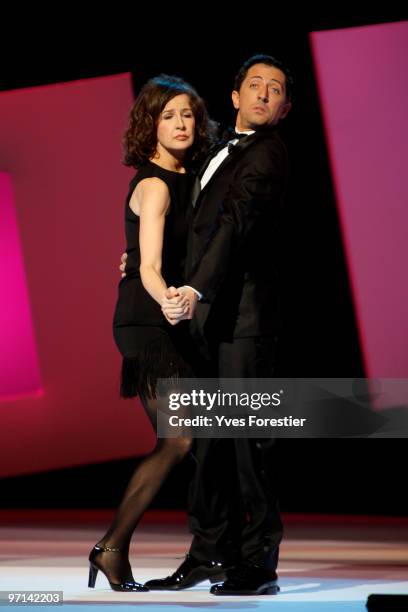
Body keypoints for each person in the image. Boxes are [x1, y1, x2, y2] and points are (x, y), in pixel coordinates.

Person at [144, 54, 293, 596]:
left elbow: (234, 225)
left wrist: (195, 288)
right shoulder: (213, 150)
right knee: (208, 445)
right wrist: (141, 257)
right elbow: (194, 225)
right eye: (254, 85)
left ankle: (259, 563)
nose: (263, 94)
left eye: (274, 89)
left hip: (244, 323)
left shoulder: (268, 154)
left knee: (250, 443)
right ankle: (210, 553)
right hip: (204, 323)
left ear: (284, 107)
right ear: (234, 96)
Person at [88, 74, 215, 592]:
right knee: (179, 438)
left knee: (192, 437)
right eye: (168, 116)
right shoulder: (157, 183)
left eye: (187, 114)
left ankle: (199, 548)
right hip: (149, 320)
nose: (181, 124)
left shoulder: (192, 175)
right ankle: (111, 547)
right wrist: (170, 299)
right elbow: (150, 266)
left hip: (170, 318)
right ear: (150, 126)